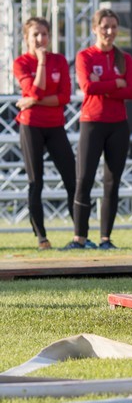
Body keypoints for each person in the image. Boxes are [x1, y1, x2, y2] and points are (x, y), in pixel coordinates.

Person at [63, 9, 132, 250]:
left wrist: (105, 87)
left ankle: (106, 238)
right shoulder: (85, 56)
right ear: (95, 29)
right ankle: (80, 238)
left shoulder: (124, 58)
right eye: (105, 27)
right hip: (92, 122)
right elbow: (87, 87)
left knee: (111, 182)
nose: (109, 32)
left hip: (118, 124)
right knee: (84, 179)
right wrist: (116, 84)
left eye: (113, 27)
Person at [12, 17, 76, 250]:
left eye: (44, 34)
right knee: (35, 182)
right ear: (26, 38)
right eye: (35, 35)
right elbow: (33, 89)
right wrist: (40, 63)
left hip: (56, 126)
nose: (41, 39)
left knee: (72, 179)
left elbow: (65, 97)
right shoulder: (21, 62)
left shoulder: (59, 60)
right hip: (31, 126)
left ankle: (80, 234)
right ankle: (41, 237)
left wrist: (34, 101)